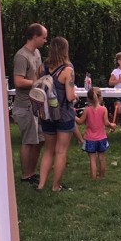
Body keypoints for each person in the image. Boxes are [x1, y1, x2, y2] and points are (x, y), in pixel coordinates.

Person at [36, 36, 78, 193]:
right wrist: (76, 95)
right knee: (61, 151)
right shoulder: (68, 70)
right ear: (65, 50)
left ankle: (41, 185)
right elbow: (70, 97)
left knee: (48, 150)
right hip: (64, 115)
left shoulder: (42, 68)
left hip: (46, 114)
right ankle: (56, 186)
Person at [11, 23, 48, 183]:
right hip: (24, 106)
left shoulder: (37, 53)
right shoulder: (22, 56)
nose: (45, 41)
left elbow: (39, 73)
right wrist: (37, 83)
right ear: (34, 36)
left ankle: (32, 172)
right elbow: (18, 81)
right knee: (29, 141)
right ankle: (26, 175)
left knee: (40, 139)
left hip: (36, 104)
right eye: (43, 38)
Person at [76, 87, 115, 180]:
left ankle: (93, 177)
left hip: (90, 139)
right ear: (100, 97)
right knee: (102, 158)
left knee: (92, 160)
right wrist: (112, 126)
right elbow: (106, 123)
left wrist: (72, 116)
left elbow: (80, 122)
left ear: (88, 99)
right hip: (102, 138)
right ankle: (102, 176)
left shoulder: (87, 110)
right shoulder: (104, 109)